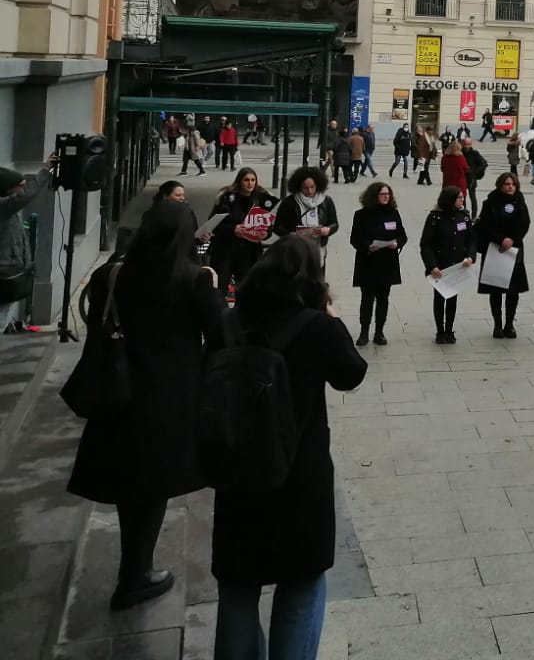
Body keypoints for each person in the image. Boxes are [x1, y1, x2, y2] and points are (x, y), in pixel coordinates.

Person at [211, 234, 367, 660]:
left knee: (238, 586)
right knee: (301, 582)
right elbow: (351, 374)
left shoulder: (230, 320)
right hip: (298, 470)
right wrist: (331, 317)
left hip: (236, 467)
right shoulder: (317, 325)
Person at [67, 199, 224, 611]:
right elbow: (222, 337)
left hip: (118, 392)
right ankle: (134, 574)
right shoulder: (193, 280)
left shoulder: (111, 275)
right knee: (151, 484)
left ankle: (134, 567)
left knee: (130, 481)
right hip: (168, 397)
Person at [349, 182, 406, 346]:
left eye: (388, 194)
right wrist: (368, 245)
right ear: (374, 196)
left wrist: (398, 243)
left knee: (383, 298)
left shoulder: (393, 213)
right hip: (368, 261)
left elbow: (402, 235)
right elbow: (355, 239)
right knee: (367, 298)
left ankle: (379, 332)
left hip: (387, 261)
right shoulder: (361, 215)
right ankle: (364, 331)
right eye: (382, 194)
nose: (386, 197)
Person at [206, 168, 278, 297]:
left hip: (248, 252)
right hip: (225, 250)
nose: (250, 183)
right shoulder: (227, 198)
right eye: (246, 180)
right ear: (239, 181)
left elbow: (268, 228)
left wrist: (265, 234)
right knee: (220, 287)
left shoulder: (261, 199)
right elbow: (214, 224)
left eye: (253, 180)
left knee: (245, 288)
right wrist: (233, 229)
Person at [1, 158, 54, 330]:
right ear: (8, 189)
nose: (23, 188)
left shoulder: (8, 208)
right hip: (4, 273)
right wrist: (45, 171)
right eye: (20, 185)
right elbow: (26, 196)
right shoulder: (4, 207)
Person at [477, 171, 531, 339]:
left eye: (513, 184)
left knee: (512, 290)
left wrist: (513, 240)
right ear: (500, 186)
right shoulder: (491, 202)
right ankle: (497, 324)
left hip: (514, 249)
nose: (510, 187)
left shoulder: (520, 201)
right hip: (495, 248)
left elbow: (525, 223)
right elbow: (485, 225)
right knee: (496, 289)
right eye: (507, 184)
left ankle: (509, 324)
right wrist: (500, 239)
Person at [419, 186, 474, 343]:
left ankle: (449, 329)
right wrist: (431, 265)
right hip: (440, 265)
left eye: (463, 197)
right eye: (459, 198)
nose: (462, 200)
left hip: (458, 264)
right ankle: (440, 330)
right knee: (439, 297)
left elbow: (471, 240)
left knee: (452, 298)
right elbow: (426, 244)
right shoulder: (435, 218)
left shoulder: (464, 217)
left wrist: (470, 256)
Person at [274, 166, 339, 251]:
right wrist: (291, 234)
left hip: (319, 247)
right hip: (294, 248)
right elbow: (278, 227)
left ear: (318, 185)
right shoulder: (289, 202)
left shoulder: (326, 201)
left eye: (312, 187)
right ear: (299, 187)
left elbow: (334, 224)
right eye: (305, 188)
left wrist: (328, 230)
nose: (310, 191)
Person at [461, 137, 488, 216]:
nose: (467, 146)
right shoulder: (461, 153)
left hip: (472, 178)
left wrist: (475, 172)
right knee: (463, 197)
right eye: (466, 144)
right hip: (463, 177)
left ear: (471, 144)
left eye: (469, 144)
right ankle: (464, 213)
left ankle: (474, 215)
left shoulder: (475, 153)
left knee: (472, 197)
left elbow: (483, 163)